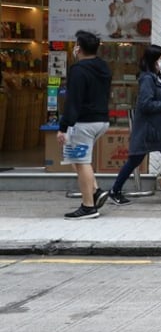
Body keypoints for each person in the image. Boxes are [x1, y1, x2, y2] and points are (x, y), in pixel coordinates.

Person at [107, 44, 161, 206]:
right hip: (148, 131)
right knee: (134, 161)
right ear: (153, 59)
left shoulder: (157, 77)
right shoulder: (147, 79)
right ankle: (115, 190)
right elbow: (145, 104)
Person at [57, 30, 111, 220]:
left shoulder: (78, 70)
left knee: (81, 163)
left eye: (75, 44)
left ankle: (88, 206)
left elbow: (74, 101)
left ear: (79, 48)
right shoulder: (103, 66)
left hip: (84, 123)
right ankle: (95, 191)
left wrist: (63, 127)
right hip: (101, 120)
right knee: (74, 157)